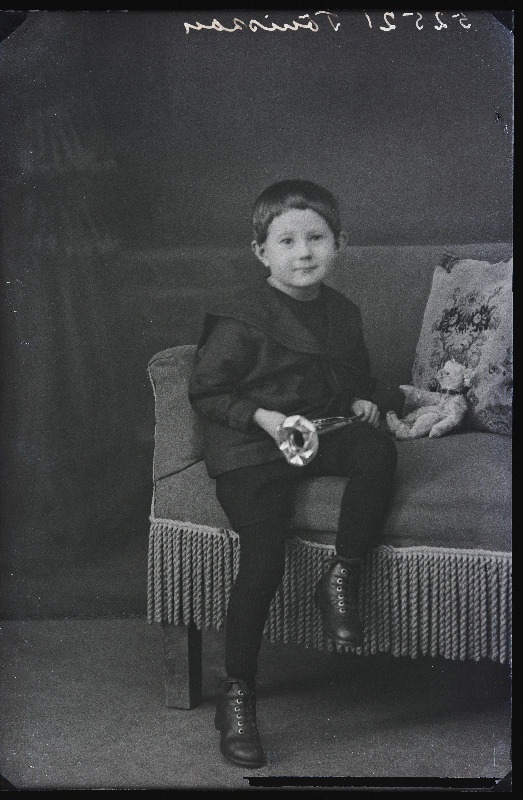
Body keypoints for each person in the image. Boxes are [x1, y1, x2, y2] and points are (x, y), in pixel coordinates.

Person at [188, 179, 397, 769]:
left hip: (310, 433)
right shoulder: (241, 318)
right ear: (262, 252)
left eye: (317, 238)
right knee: (264, 556)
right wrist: (264, 417)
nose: (303, 252)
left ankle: (341, 574)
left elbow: (353, 377)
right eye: (286, 241)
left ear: (339, 244)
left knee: (377, 452)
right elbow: (207, 392)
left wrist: (362, 400)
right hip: (252, 445)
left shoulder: (343, 312)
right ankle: (238, 693)